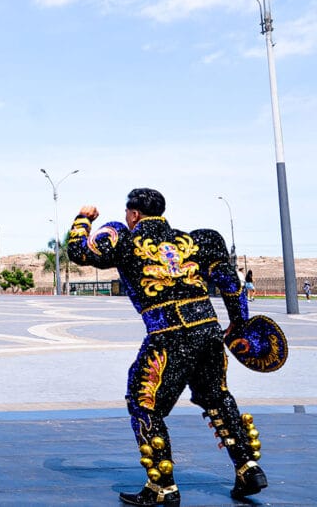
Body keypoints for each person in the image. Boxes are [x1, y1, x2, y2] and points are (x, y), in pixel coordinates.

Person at [67, 188, 266, 505]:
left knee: (143, 403)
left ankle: (162, 487)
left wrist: (84, 218)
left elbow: (80, 252)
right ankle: (248, 467)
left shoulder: (125, 238)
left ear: (133, 215)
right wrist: (238, 325)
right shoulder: (197, 241)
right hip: (208, 331)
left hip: (167, 336)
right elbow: (232, 283)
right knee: (217, 397)